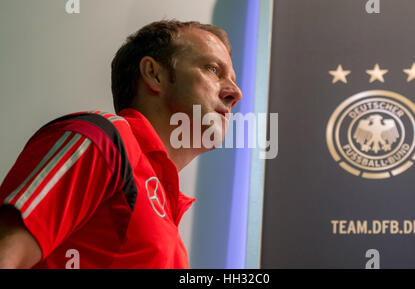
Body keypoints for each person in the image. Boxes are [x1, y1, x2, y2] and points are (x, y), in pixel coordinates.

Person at [0, 20, 242, 269]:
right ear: (153, 73)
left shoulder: (165, 209)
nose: (235, 93)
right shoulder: (101, 140)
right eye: (213, 69)